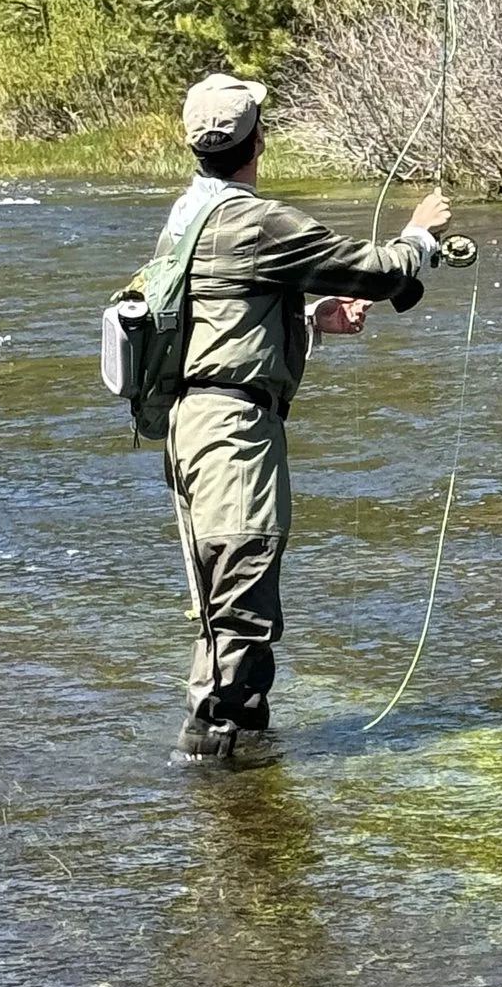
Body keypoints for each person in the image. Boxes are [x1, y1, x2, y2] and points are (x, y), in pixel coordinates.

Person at [161, 71, 452, 767]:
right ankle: (229, 748)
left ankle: (222, 759)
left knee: (216, 591)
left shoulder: (185, 215)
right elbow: (376, 270)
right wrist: (420, 237)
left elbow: (221, 313)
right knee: (243, 576)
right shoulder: (257, 221)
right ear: (256, 141)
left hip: (190, 426)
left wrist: (308, 319)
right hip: (236, 434)